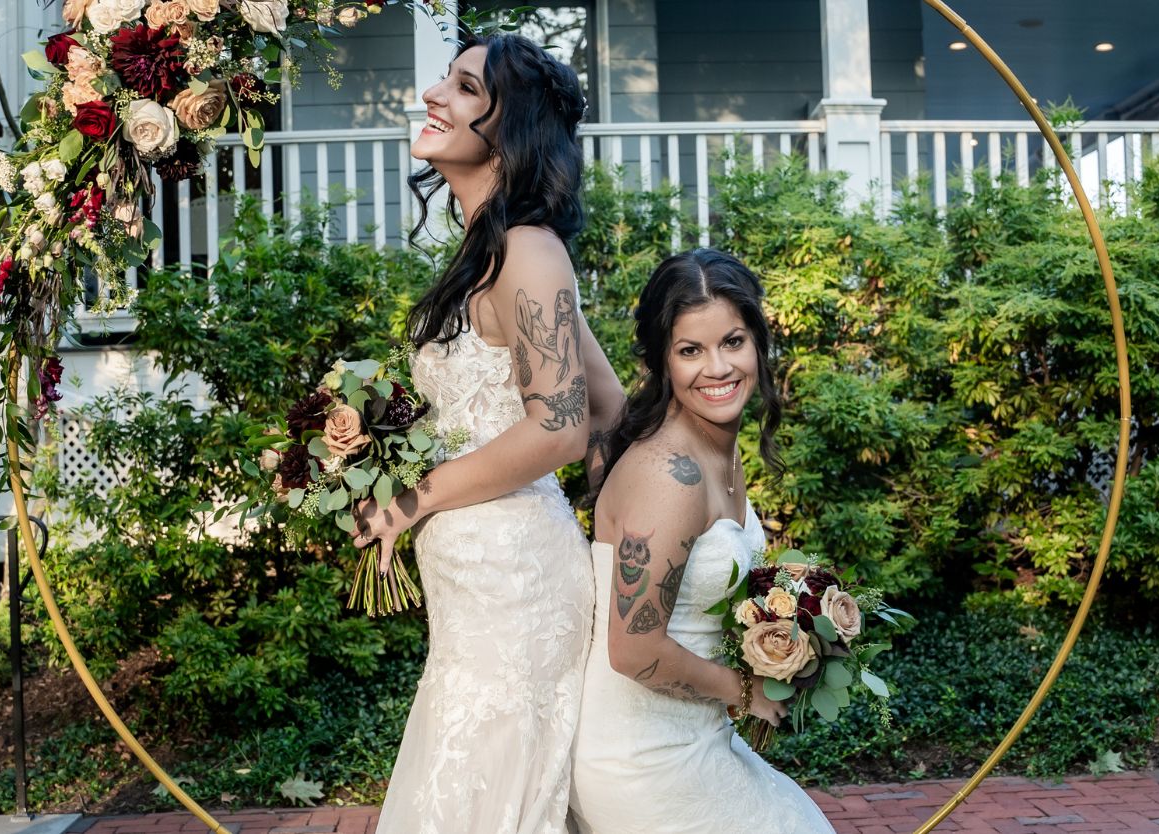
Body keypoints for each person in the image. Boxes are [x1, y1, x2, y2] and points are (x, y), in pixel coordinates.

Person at [349, 33, 623, 834]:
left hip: (515, 585)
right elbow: (605, 403)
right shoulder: (491, 250)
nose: (435, 94)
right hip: (477, 584)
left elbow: (559, 430)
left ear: (512, 129)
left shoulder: (529, 250)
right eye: (446, 78)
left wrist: (406, 500)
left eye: (466, 88)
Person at [568, 249, 837, 834]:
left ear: (758, 344)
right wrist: (748, 690)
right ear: (665, 362)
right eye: (691, 350)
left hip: (696, 740)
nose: (718, 368)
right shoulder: (670, 476)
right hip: (641, 761)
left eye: (733, 342)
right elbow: (634, 651)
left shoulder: (715, 449)